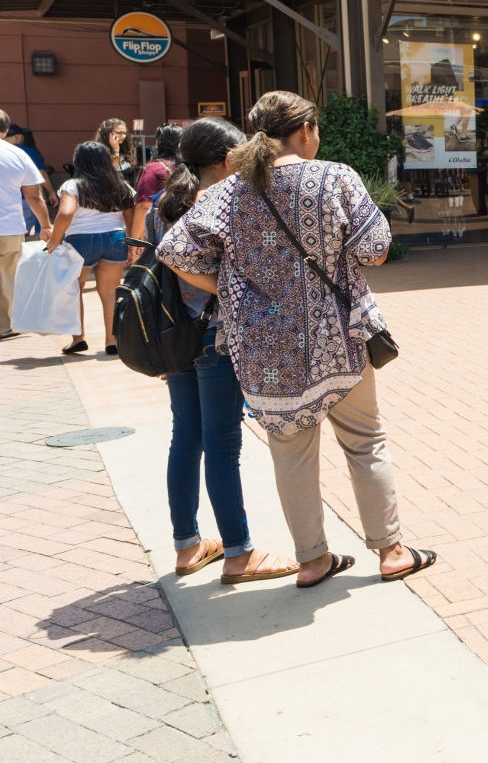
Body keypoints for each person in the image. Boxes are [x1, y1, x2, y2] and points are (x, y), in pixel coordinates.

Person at [159, 91, 435, 589]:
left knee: (290, 453)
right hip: (339, 337)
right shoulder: (334, 176)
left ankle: (311, 561)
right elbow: (375, 251)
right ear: (305, 129)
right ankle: (392, 552)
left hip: (265, 351)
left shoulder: (226, 191)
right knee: (364, 441)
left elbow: (174, 250)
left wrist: (229, 285)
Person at [154, 118, 299, 584]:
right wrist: (228, 289)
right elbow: (184, 262)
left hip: (175, 335)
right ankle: (239, 554)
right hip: (213, 335)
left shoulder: (166, 201)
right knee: (222, 442)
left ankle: (187, 545)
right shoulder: (216, 201)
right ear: (225, 159)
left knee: (187, 437)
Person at [43, 141, 143, 356]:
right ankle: (112, 341)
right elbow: (129, 218)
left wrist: (54, 241)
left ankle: (78, 338)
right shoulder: (121, 185)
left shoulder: (73, 185)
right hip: (115, 239)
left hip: (80, 242)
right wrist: (131, 245)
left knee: (75, 289)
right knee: (110, 292)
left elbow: (66, 213)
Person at [0, 110, 52, 343]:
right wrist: (46, 225)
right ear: (5, 130)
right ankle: (5, 326)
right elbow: (33, 196)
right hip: (9, 227)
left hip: (10, 226)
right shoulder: (18, 155)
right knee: (9, 279)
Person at [137, 124, 182, 203]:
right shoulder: (191, 167)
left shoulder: (154, 168)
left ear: (159, 143)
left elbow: (144, 204)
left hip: (161, 214)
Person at [96, 118, 135, 183]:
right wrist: (116, 150)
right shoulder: (100, 152)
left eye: (124, 133)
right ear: (108, 133)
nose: (123, 136)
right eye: (119, 133)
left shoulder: (124, 150)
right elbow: (112, 173)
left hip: (125, 190)